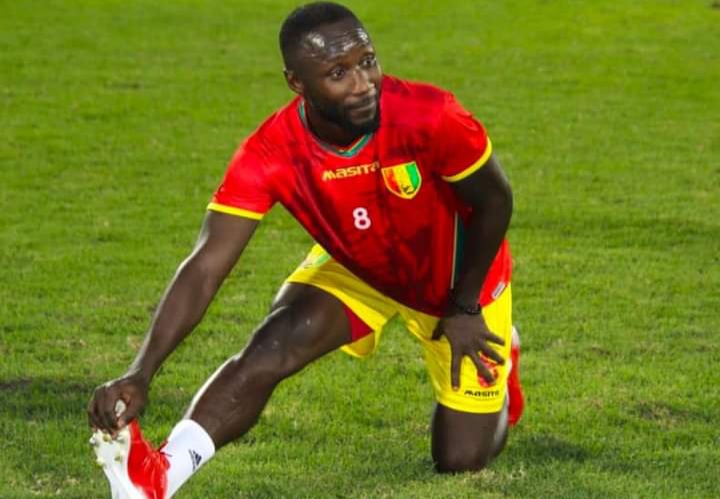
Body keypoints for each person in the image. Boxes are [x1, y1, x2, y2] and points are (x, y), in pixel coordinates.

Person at [87, 2, 525, 498]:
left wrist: (465, 305)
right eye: (338, 73)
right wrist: (141, 371)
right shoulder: (270, 152)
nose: (363, 83)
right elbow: (206, 265)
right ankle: (158, 477)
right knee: (275, 342)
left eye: (367, 61)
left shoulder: (431, 114)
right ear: (297, 83)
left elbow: (496, 201)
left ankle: (505, 360)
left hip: (458, 279)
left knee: (460, 458)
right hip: (361, 267)